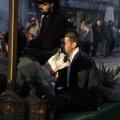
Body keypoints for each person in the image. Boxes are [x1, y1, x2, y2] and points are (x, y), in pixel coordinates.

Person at [0, 30, 55, 120]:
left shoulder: (10, 63)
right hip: (37, 111)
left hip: (14, 111)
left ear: (7, 46)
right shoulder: (30, 61)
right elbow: (48, 92)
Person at [55, 29, 102, 114]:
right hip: (76, 94)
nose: (61, 45)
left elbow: (80, 87)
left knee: (59, 99)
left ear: (73, 44)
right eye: (61, 43)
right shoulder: (67, 58)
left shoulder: (83, 60)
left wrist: (61, 90)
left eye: (64, 43)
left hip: (89, 100)